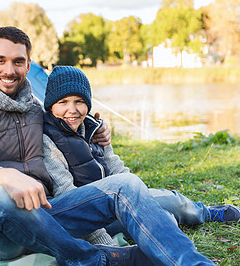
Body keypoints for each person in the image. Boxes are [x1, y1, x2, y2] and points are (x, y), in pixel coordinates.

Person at [0, 26, 214, 265]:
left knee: (127, 186)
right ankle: (91, 258)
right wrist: (3, 176)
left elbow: (67, 123)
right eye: (0, 60)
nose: (9, 70)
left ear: (28, 63)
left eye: (18, 61)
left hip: (47, 213)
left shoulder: (35, 108)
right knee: (1, 196)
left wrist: (94, 128)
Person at [42, 65, 240, 244]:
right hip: (94, 219)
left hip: (120, 199)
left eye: (79, 101)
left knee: (173, 201)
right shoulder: (47, 140)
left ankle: (204, 212)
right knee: (164, 219)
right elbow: (68, 196)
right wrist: (104, 242)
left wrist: (141, 196)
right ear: (51, 106)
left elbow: (116, 167)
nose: (72, 110)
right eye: (63, 102)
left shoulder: (93, 129)